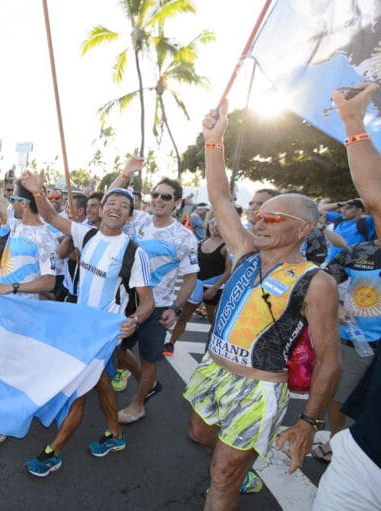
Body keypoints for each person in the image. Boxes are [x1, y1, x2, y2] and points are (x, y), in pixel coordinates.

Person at [184, 100, 341, 510]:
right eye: (258, 213)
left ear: (302, 229)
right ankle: (240, 464)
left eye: (272, 218)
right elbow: (219, 196)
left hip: (258, 389)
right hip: (212, 370)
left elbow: (330, 361)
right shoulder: (245, 252)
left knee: (221, 477)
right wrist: (213, 142)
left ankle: (232, 474)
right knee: (199, 435)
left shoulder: (316, 282)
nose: (258, 220)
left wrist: (309, 422)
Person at [20, 165, 154, 477]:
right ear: (102, 209)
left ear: (129, 217)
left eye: (124, 207)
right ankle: (115, 436)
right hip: (80, 327)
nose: (116, 210)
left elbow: (148, 301)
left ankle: (52, 452)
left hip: (105, 334)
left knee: (79, 390)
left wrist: (134, 320)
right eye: (112, 204)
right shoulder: (88, 234)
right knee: (102, 383)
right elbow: (52, 217)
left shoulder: (134, 252)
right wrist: (38, 190)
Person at [0, 143, 57, 458]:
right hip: (5, 309)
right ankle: (9, 412)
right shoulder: (15, 224)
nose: (7, 204)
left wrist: (11, 288)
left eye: (13, 200)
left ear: (24, 204)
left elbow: (49, 281)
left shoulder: (45, 237)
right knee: (4, 363)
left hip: (28, 312)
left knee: (13, 366)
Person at [313, 81, 381, 510]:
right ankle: (330, 436)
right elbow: (377, 198)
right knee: (342, 394)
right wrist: (353, 122)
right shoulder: (359, 251)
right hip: (365, 457)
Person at [107, 171, 199, 421]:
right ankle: (148, 383)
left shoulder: (184, 238)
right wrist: (126, 171)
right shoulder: (139, 221)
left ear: (177, 202)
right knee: (116, 348)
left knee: (149, 359)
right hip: (127, 301)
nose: (158, 200)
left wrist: (176, 308)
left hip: (157, 307)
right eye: (155, 194)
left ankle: (138, 404)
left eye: (166, 197)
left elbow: (191, 276)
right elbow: (110, 198)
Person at [164, 210, 232, 355]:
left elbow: (228, 271)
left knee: (213, 320)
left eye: (219, 224)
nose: (215, 226)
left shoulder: (226, 247)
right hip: (196, 286)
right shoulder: (199, 243)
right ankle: (170, 344)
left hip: (214, 288)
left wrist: (215, 287)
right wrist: (187, 280)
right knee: (184, 316)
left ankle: (214, 349)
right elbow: (191, 266)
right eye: (212, 223)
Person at [321, 198, 376, 264]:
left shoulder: (367, 222)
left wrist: (361, 200)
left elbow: (377, 210)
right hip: (330, 263)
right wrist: (342, 203)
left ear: (358, 210)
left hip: (352, 266)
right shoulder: (340, 219)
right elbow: (321, 210)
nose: (343, 211)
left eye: (348, 208)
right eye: (343, 208)